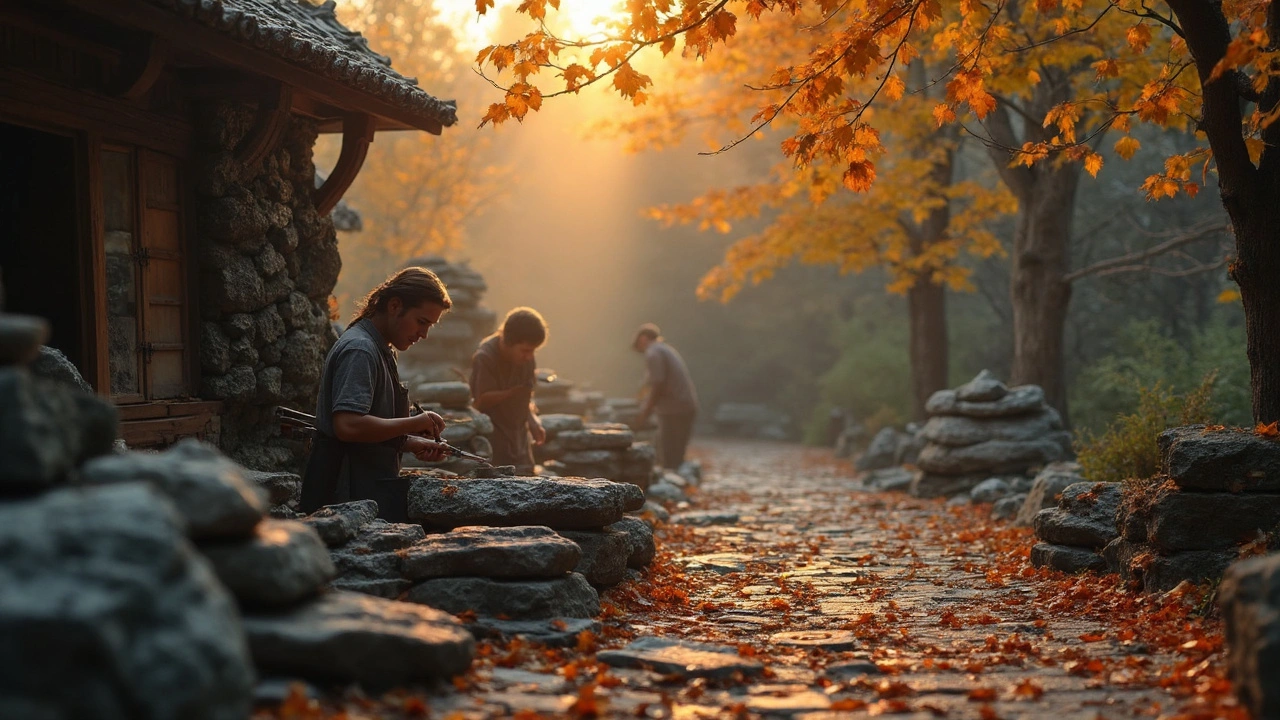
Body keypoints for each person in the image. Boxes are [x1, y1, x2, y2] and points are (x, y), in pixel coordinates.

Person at [300, 267, 451, 521]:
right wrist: (415, 423)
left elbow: (368, 429)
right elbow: (348, 426)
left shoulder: (384, 350)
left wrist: (412, 443)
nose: (424, 334)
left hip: (365, 493)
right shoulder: (361, 349)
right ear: (394, 305)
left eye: (429, 326)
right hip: (342, 501)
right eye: (421, 322)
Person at [470, 307, 548, 473]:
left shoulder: (527, 359)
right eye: (525, 350)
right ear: (507, 341)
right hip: (493, 436)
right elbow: (481, 400)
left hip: (519, 434)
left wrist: (533, 421)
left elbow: (526, 395)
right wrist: (514, 392)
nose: (529, 356)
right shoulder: (486, 357)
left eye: (533, 351)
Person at [632, 323, 698, 469]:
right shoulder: (665, 349)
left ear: (643, 339)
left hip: (674, 409)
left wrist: (645, 413)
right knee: (676, 454)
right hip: (685, 406)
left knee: (669, 455)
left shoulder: (653, 352)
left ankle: (669, 485)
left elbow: (657, 385)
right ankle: (677, 483)